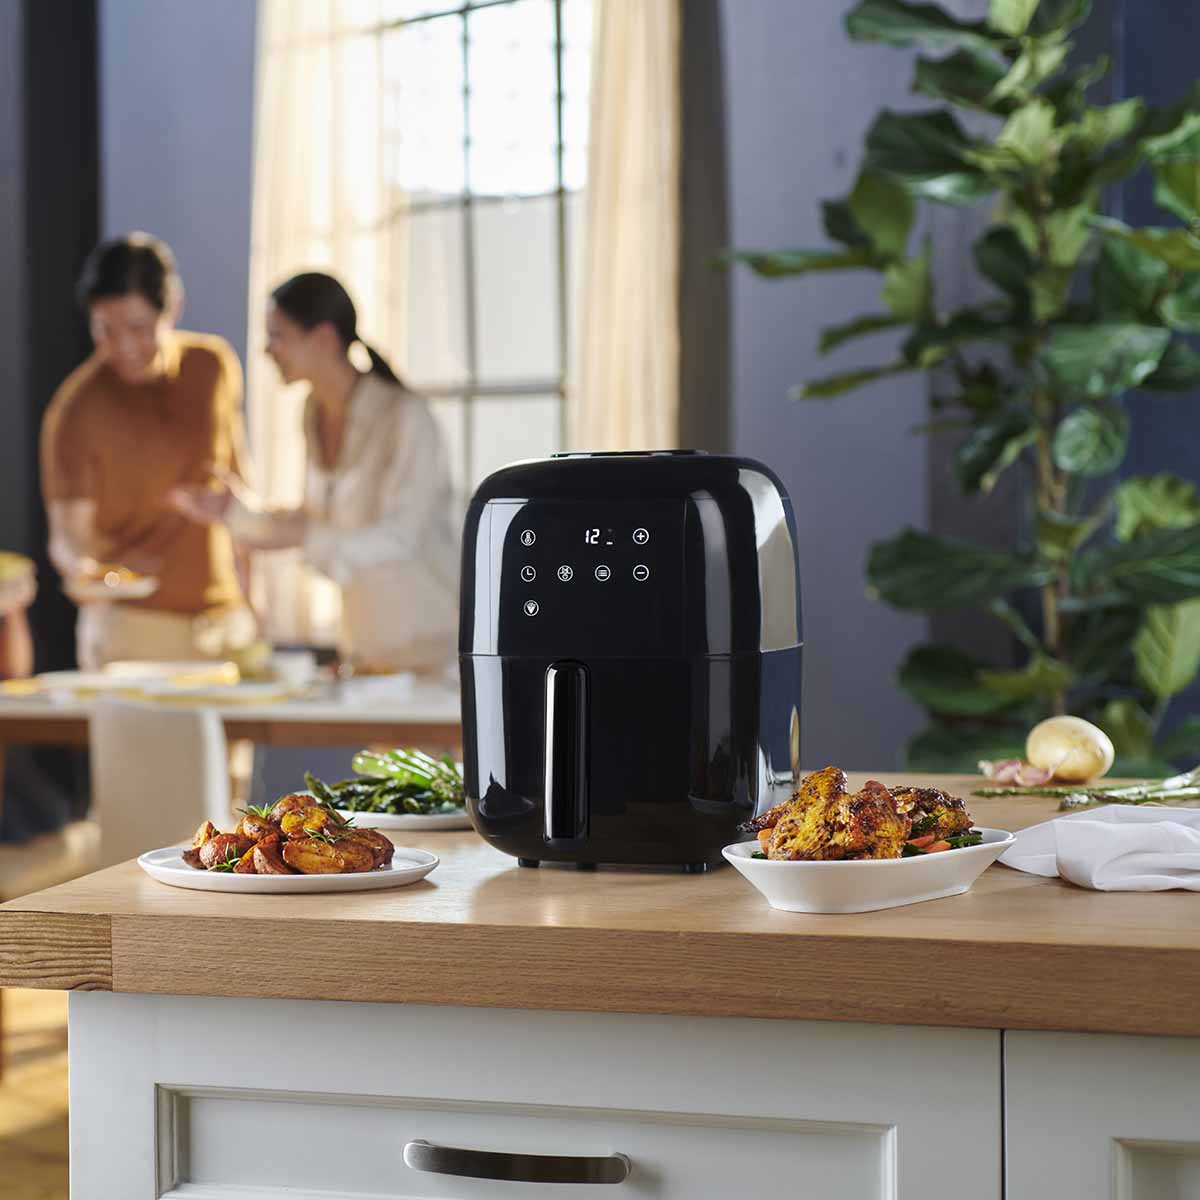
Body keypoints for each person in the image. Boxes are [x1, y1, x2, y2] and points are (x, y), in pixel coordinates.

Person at [170, 272, 460, 675]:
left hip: (431, 648)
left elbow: (401, 538)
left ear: (324, 337)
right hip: (367, 649)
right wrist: (235, 513)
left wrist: (303, 535)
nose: (266, 350)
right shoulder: (313, 412)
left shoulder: (405, 417)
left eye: (277, 336)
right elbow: (317, 518)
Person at [40, 234, 256, 669]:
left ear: (172, 307)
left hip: (225, 625)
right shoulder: (77, 408)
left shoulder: (212, 367)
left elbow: (238, 486)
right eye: (105, 330)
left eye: (138, 328)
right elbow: (67, 538)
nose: (123, 347)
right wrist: (92, 572)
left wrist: (254, 600)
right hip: (133, 629)